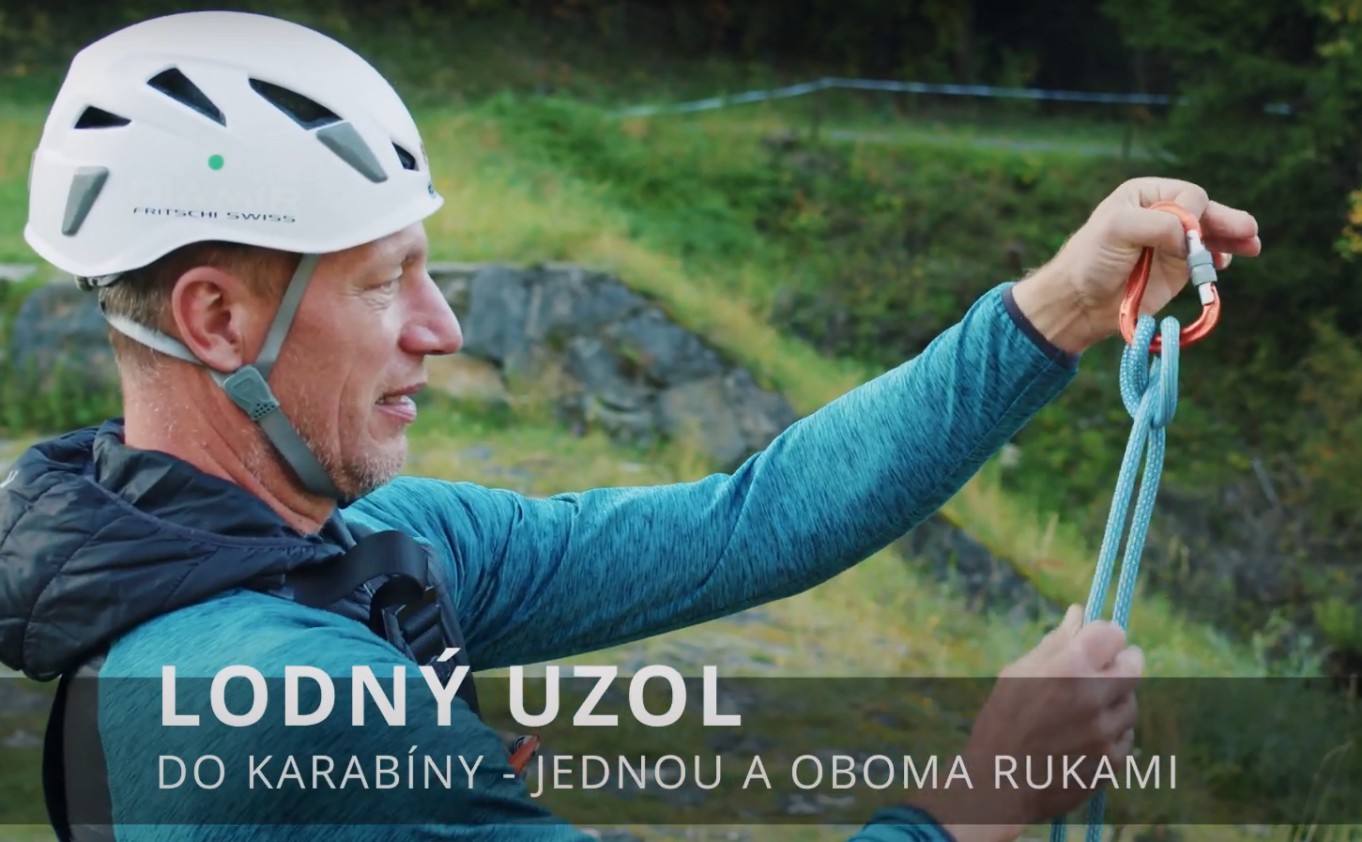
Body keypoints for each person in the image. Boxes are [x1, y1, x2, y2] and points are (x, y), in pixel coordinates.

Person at [0, 9, 1261, 842]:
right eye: (384, 283)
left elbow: (746, 523)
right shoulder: (281, 698)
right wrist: (983, 796)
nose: (442, 328)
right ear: (218, 321)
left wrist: (1061, 305)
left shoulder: (333, 550)